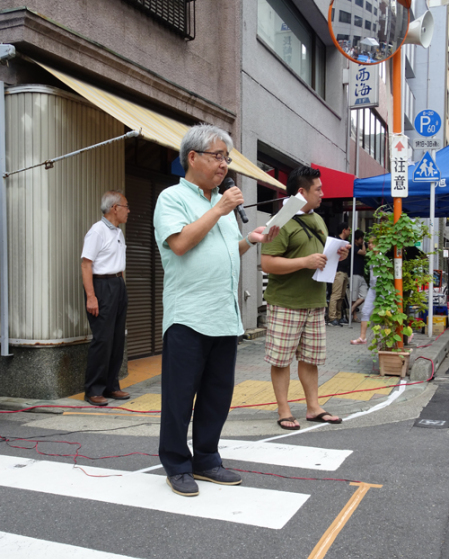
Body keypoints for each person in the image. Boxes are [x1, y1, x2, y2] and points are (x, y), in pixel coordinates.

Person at [154, 124, 279, 497]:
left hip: (224, 316)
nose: (225, 164)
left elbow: (221, 251)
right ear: (192, 158)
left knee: (217, 394)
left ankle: (206, 458)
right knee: (179, 396)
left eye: (227, 158)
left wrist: (248, 241)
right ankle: (176, 464)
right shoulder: (172, 199)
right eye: (218, 156)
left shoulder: (220, 204)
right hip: (188, 316)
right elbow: (180, 243)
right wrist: (221, 207)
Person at [261, 166, 348, 431]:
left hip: (313, 301)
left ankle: (313, 407)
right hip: (286, 301)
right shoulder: (281, 220)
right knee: (281, 359)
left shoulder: (317, 219)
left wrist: (337, 255)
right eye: (318, 189)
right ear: (302, 192)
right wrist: (305, 262)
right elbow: (267, 263)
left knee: (310, 358)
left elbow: (319, 255)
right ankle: (284, 409)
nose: (323, 194)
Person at [81, 191, 131, 406]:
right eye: (126, 206)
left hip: (118, 284)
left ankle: (111, 386)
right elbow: (86, 264)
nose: (128, 211)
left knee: (117, 338)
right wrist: (91, 296)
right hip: (102, 286)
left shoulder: (118, 232)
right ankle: (93, 390)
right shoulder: (97, 231)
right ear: (114, 208)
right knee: (102, 340)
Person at [351, 238, 376, 344]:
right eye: (368, 243)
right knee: (365, 311)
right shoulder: (372, 258)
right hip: (372, 288)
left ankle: (404, 333)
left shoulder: (383, 258)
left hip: (382, 289)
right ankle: (362, 337)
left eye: (371, 243)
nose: (369, 245)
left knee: (390, 313)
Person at [327, 222, 351, 326]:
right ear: (344, 230)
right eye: (349, 229)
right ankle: (332, 317)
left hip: (344, 271)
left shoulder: (346, 242)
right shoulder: (336, 241)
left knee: (341, 296)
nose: (350, 232)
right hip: (338, 271)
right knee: (336, 295)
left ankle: (339, 316)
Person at [351, 229, 368, 322]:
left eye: (363, 238)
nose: (362, 240)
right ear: (355, 239)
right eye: (360, 238)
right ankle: (354, 316)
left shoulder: (363, 245)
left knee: (364, 294)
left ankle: (351, 309)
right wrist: (363, 245)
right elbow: (363, 253)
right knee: (354, 296)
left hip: (361, 274)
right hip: (354, 273)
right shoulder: (353, 247)